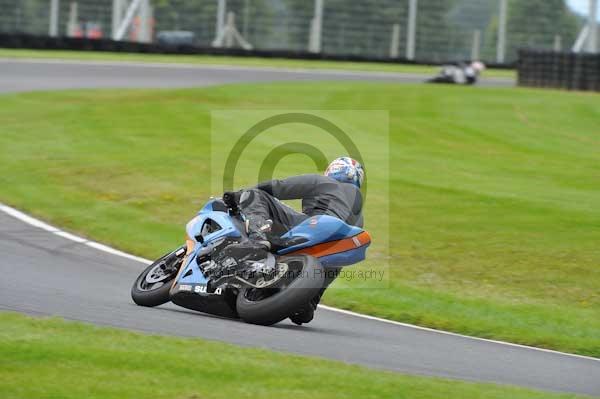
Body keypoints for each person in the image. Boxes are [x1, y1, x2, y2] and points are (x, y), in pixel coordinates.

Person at [222, 156, 365, 324]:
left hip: (316, 224)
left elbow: (279, 187)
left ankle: (257, 240)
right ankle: (311, 301)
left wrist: (240, 195)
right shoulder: (359, 215)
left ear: (333, 170)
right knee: (338, 255)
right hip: (331, 246)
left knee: (254, 194)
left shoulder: (324, 182)